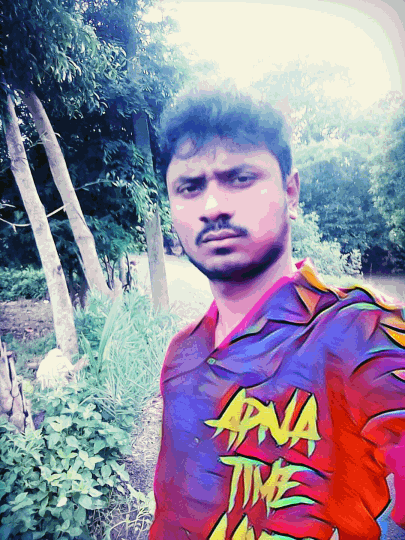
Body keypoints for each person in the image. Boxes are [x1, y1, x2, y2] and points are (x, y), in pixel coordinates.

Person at [149, 88, 405, 540]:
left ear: (291, 192)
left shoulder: (362, 334)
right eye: (190, 187)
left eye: (240, 178)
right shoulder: (181, 356)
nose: (213, 207)